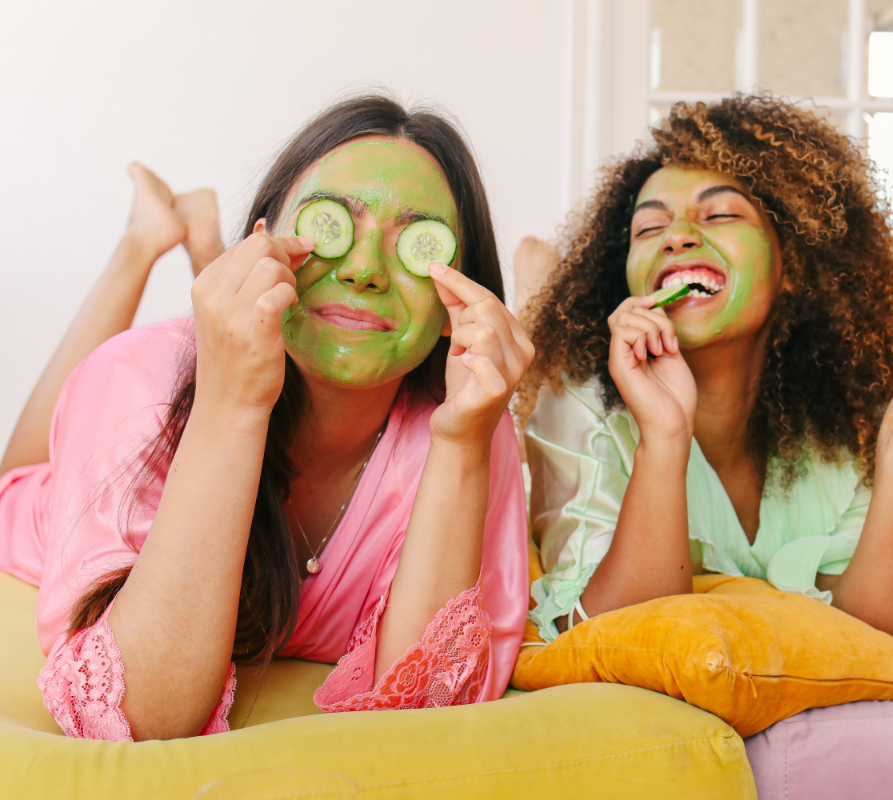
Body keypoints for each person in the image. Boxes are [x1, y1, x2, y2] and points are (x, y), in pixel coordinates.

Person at [0, 95, 532, 741]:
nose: (364, 269)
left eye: (416, 244)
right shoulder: (136, 381)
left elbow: (424, 713)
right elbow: (140, 716)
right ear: (262, 245)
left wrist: (463, 444)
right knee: (21, 474)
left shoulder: (469, 425)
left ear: (458, 301)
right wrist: (232, 400)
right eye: (334, 222)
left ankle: (194, 243)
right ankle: (143, 242)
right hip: (63, 487)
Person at [518, 95, 893, 686]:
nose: (678, 237)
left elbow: (891, 637)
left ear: (793, 265)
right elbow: (613, 635)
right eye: (650, 227)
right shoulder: (578, 399)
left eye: (720, 217)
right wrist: (664, 437)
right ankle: (534, 272)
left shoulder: (843, 413)